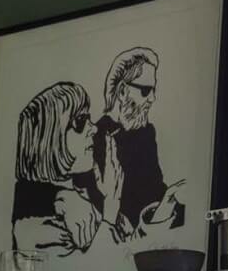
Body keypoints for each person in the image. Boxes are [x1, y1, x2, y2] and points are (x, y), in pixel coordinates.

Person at [11, 79, 124, 258]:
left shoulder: (81, 198)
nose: (93, 129)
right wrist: (110, 209)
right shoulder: (37, 229)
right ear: (47, 140)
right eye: (80, 121)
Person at [95, 45, 184, 234]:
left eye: (153, 90)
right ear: (121, 92)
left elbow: (154, 192)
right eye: (145, 90)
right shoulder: (95, 139)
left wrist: (169, 203)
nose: (152, 98)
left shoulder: (146, 134)